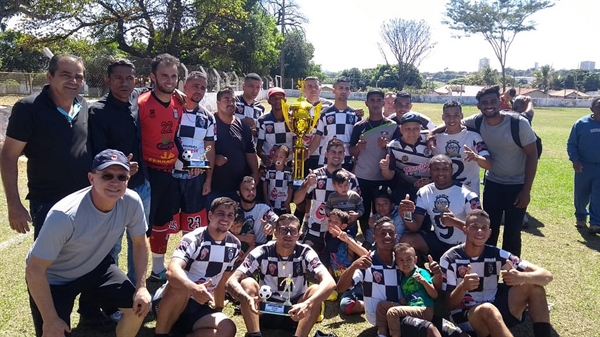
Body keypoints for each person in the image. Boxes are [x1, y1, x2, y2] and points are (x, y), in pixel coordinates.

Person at [25, 149, 151, 337]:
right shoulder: (65, 215)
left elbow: (140, 243)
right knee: (53, 332)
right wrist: (51, 320)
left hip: (96, 267)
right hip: (55, 279)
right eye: (107, 176)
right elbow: (34, 269)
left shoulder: (132, 202)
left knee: (137, 308)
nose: (115, 182)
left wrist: (141, 287)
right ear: (91, 178)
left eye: (122, 177)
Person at [2, 54, 90, 239]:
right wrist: (14, 205)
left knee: (84, 259)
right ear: (50, 77)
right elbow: (9, 156)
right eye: (66, 75)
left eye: (79, 76)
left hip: (86, 199)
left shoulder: (82, 105)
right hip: (49, 203)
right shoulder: (29, 108)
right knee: (48, 263)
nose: (73, 81)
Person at [440, 209, 553, 337]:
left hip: (495, 307)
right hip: (466, 316)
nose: (480, 231)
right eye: (474, 227)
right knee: (488, 309)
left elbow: (547, 276)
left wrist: (521, 276)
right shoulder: (449, 258)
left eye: (484, 228)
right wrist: (463, 287)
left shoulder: (497, 254)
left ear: (489, 233)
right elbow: (449, 305)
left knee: (535, 287)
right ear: (465, 229)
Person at [88, 58, 150, 283]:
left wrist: (178, 94)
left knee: (139, 242)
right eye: (119, 78)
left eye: (129, 78)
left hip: (141, 185)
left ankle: (135, 289)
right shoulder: (97, 111)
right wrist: (121, 167)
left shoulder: (136, 98)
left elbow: (156, 88)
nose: (125, 83)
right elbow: (97, 153)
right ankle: (111, 297)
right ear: (108, 80)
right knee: (111, 246)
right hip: (112, 190)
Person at [225, 214, 336, 337]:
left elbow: (330, 281)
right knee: (248, 283)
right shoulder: (262, 251)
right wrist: (246, 299)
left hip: (295, 310)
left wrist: (307, 304)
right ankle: (254, 334)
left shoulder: (305, 252)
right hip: (263, 308)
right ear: (275, 233)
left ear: (298, 235)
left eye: (293, 231)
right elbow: (232, 280)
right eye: (283, 230)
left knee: (315, 290)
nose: (288, 235)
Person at [461, 85, 538, 256]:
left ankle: (512, 274)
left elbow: (532, 156)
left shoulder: (519, 123)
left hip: (517, 185)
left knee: (512, 232)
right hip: (493, 183)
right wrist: (431, 134)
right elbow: (453, 123)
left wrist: (526, 191)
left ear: (500, 102)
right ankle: (488, 270)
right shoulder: (477, 120)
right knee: (489, 229)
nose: (489, 105)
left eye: (493, 101)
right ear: (478, 106)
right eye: (485, 102)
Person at [152, 197, 241, 337]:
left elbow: (222, 281)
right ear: (210, 215)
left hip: (200, 305)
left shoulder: (234, 245)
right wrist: (193, 288)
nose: (225, 218)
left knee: (227, 328)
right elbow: (172, 271)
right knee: (181, 286)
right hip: (171, 300)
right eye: (220, 213)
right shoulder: (193, 238)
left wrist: (218, 308)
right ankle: (161, 333)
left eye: (230, 215)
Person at [138, 53, 184, 281]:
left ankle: (157, 268)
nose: (169, 80)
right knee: (142, 225)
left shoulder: (178, 103)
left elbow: (173, 135)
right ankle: (135, 272)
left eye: (173, 76)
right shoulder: (142, 104)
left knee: (163, 221)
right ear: (153, 77)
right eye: (164, 75)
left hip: (169, 173)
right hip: (148, 174)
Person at [399, 155, 481, 261]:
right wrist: (405, 215)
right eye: (436, 169)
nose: (441, 173)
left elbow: (479, 229)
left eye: (445, 169)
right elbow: (415, 226)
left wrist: (455, 222)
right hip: (439, 242)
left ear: (452, 170)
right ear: (429, 171)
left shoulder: (468, 195)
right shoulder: (424, 192)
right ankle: (420, 273)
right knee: (407, 241)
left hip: (464, 246)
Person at [293, 138, 360, 256]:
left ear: (344, 155)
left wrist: (355, 216)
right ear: (326, 154)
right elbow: (297, 200)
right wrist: (307, 185)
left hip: (338, 232)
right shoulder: (315, 175)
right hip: (316, 229)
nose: (336, 155)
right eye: (333, 152)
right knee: (308, 265)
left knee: (336, 269)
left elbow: (358, 206)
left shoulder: (351, 179)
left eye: (340, 152)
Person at [349, 88, 400, 238]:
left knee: (383, 212)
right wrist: (358, 147)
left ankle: (383, 238)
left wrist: (387, 146)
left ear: (384, 103)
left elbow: (397, 150)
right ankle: (367, 238)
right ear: (366, 103)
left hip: (383, 177)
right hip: (363, 176)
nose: (375, 104)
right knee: (363, 212)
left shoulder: (392, 126)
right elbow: (351, 150)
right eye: (372, 100)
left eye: (379, 100)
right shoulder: (359, 126)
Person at [336, 217, 402, 329]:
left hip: (402, 314)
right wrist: (353, 266)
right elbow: (341, 288)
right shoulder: (367, 262)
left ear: (396, 237)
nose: (387, 236)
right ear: (374, 238)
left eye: (391, 233)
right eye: (383, 233)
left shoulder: (402, 259)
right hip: (379, 320)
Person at [209, 87, 259, 207]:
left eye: (233, 100)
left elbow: (250, 152)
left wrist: (255, 172)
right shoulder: (210, 123)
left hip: (238, 187)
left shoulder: (242, 126)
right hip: (215, 186)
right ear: (218, 103)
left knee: (236, 222)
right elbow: (201, 150)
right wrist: (213, 158)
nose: (231, 103)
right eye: (227, 100)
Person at [376, 243, 439, 337]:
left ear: (416, 259)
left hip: (424, 309)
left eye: (409, 259)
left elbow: (434, 295)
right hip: (410, 307)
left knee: (393, 312)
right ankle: (382, 334)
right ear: (396, 262)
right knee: (381, 306)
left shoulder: (421, 272)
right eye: (401, 260)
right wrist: (403, 301)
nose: (405, 263)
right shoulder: (402, 279)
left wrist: (423, 281)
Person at [432, 100, 491, 195]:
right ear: (443, 117)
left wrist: (476, 158)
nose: (452, 120)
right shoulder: (436, 138)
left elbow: (488, 164)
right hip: (443, 193)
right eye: (447, 115)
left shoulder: (474, 137)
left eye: (456, 115)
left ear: (462, 116)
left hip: (469, 193)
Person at [306, 77, 359, 172]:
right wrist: (305, 156)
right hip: (326, 161)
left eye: (346, 88)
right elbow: (317, 139)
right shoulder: (324, 114)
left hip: (347, 162)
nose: (343, 91)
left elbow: (357, 143)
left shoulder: (355, 115)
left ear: (349, 92)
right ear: (334, 91)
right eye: (340, 88)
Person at [324, 209, 369, 314]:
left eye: (335, 222)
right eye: (330, 221)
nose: (331, 224)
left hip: (355, 282)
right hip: (341, 283)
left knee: (345, 305)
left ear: (343, 226)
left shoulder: (347, 238)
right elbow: (329, 260)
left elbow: (365, 254)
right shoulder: (327, 237)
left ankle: (371, 304)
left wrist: (348, 241)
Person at [381, 113, 432, 201]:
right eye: (407, 129)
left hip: (431, 186)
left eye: (416, 128)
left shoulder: (429, 138)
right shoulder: (393, 146)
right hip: (407, 187)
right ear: (401, 129)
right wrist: (385, 168)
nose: (411, 132)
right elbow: (389, 176)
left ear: (421, 128)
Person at [567, 97, 600, 233]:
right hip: (583, 166)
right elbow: (572, 144)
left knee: (598, 195)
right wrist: (575, 160)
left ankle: (595, 222)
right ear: (592, 109)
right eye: (598, 106)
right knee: (581, 195)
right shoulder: (581, 123)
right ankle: (580, 217)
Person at [256, 87, 294, 167]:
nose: (278, 101)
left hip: (288, 165)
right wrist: (265, 159)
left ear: (285, 100)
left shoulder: (293, 119)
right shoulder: (262, 121)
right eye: (274, 98)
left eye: (281, 98)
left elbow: (296, 142)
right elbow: (259, 147)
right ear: (269, 101)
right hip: (269, 165)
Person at [237, 176, 279, 247]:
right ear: (239, 193)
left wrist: (272, 225)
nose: (251, 192)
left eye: (253, 189)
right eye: (246, 189)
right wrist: (243, 238)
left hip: (259, 248)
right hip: (239, 248)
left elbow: (277, 220)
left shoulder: (263, 209)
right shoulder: (234, 210)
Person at [262, 146, 293, 215]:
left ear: (286, 160)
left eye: (281, 157)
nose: (277, 159)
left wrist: (288, 201)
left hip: (284, 203)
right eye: (275, 156)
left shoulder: (289, 171)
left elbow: (290, 186)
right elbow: (265, 184)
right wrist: (266, 199)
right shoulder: (268, 170)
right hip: (271, 202)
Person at [236, 73, 266, 137]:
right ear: (243, 86)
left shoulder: (260, 108)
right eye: (251, 86)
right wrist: (242, 123)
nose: (255, 91)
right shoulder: (233, 102)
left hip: (251, 146)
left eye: (258, 87)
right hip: (235, 145)